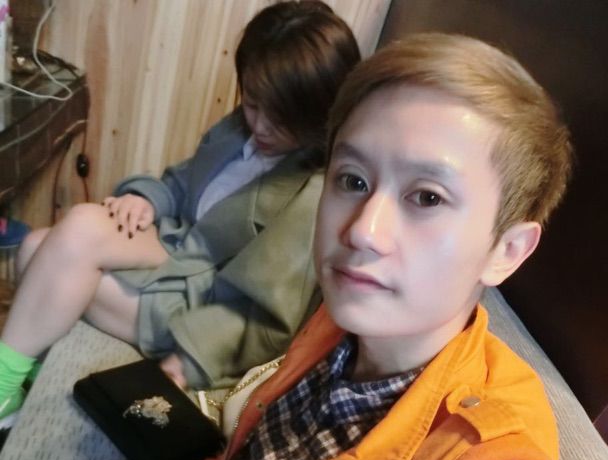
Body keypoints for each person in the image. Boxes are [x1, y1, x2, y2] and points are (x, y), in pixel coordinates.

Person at [0, 32, 599, 460]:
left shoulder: (487, 452)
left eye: (426, 197)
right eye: (353, 181)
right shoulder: (339, 326)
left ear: (506, 251)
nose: (362, 230)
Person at [0, 0, 360, 428]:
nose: (261, 126)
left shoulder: (312, 193)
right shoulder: (239, 129)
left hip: (203, 298)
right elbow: (182, 181)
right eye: (253, 103)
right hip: (176, 246)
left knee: (45, 251)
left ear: (319, 113)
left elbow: (266, 321)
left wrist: (191, 359)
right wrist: (147, 200)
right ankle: (19, 386)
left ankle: (4, 388)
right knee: (41, 243)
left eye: (281, 118)